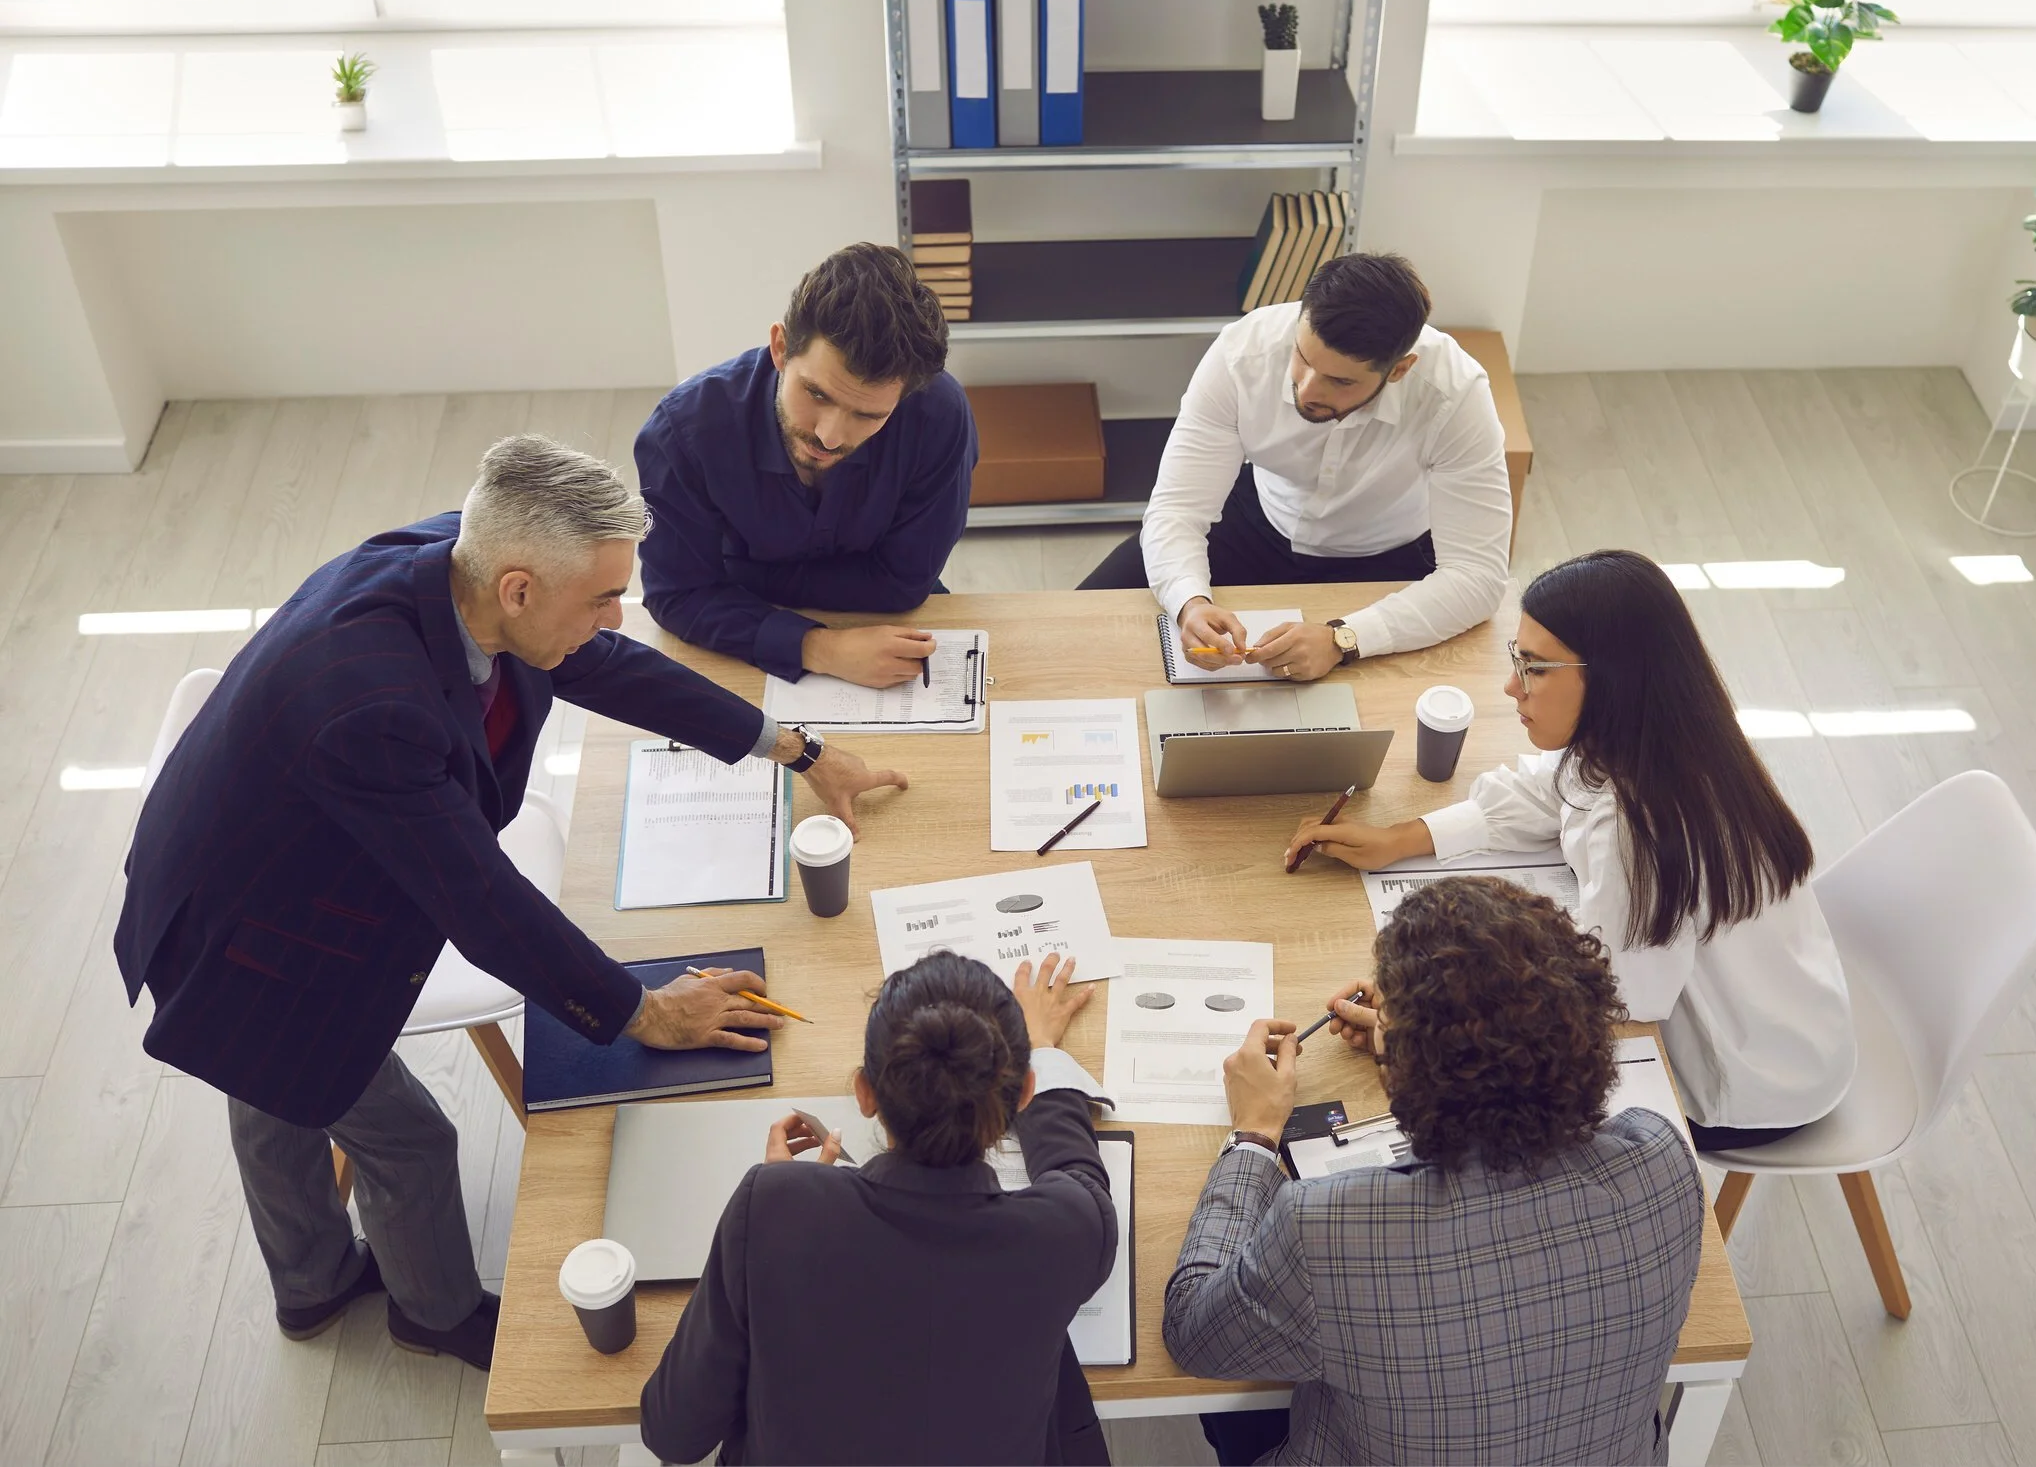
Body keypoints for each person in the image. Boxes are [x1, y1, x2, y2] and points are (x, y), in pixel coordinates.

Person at [114, 435, 909, 1369]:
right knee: (403, 1134)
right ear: (522, 588)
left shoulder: (467, 564)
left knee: (270, 1097)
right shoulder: (374, 707)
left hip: (265, 851)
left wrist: (801, 750)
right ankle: (435, 1310)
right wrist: (642, 1011)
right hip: (252, 940)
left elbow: (616, 669)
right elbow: (483, 904)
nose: (619, 614)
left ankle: (311, 1284)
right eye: (603, 598)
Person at [1284, 550, 1855, 1149]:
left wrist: (1426, 1024)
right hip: (1800, 1007)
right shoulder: (1662, 735)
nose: (1511, 686)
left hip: (1747, 1084)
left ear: (1608, 679)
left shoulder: (1645, 828)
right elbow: (1546, 788)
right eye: (1515, 659)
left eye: (1534, 668)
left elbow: (1613, 999)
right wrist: (1400, 839)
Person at [1163, 876, 1705, 1466]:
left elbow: (1195, 1332)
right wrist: (1410, 1046)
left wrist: (1254, 1135)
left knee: (1236, 1400)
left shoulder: (1326, 1231)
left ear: (1401, 1073)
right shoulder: (1663, 1159)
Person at [641, 952, 1117, 1466]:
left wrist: (785, 1210)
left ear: (865, 1093)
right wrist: (1042, 1049)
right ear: (1025, 1091)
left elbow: (673, 1434)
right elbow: (1080, 1176)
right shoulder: (1068, 1232)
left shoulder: (776, 1205)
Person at [1078, 253, 1511, 683]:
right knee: (1079, 621)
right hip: (1253, 522)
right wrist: (1189, 601)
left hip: (1386, 556)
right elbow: (1176, 509)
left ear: (1399, 370)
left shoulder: (1455, 394)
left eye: (1340, 381)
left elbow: (1479, 576)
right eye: (1303, 357)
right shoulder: (1241, 354)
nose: (1306, 390)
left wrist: (1345, 639)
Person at [636, 241, 978, 688]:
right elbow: (676, 597)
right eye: (816, 394)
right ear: (780, 348)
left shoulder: (938, 415)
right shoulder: (681, 433)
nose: (829, 436)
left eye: (868, 415)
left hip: (851, 620)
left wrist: (742, 577)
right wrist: (818, 647)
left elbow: (905, 585)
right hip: (738, 645)